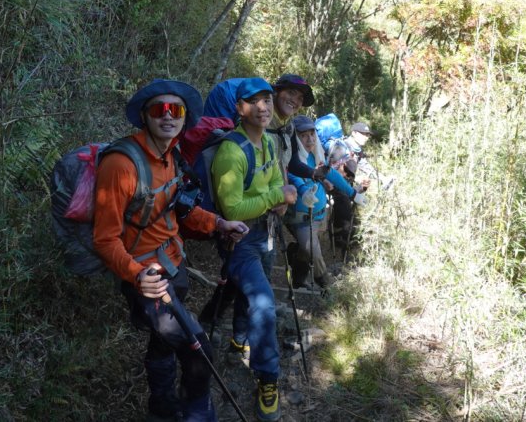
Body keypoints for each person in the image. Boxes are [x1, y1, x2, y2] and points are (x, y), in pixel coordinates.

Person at [94, 78, 247, 422]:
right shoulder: (122, 164)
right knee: (198, 349)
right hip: (147, 278)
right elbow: (104, 239)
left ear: (184, 116)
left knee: (165, 343)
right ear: (145, 116)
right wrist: (137, 276)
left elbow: (179, 208)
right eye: (159, 109)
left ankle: (161, 405)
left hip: (174, 265)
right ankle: (197, 411)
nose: (168, 116)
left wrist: (219, 224)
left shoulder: (172, 155)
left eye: (175, 109)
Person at [211, 78, 298, 422]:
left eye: (266, 100)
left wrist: (278, 200)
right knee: (263, 301)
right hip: (239, 238)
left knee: (250, 290)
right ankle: (268, 377)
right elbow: (231, 210)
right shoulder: (231, 152)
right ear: (239, 108)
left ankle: (239, 340)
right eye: (253, 101)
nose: (263, 107)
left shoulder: (269, 144)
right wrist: (277, 198)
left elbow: (277, 180)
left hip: (266, 230)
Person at [285, 115, 354, 289]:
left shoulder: (316, 156)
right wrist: (304, 191)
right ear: (295, 138)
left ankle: (298, 278)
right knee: (313, 251)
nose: (309, 139)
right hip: (300, 218)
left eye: (312, 134)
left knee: (306, 249)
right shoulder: (291, 159)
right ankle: (325, 285)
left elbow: (330, 174)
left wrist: (353, 193)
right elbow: (293, 176)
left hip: (319, 216)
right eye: (303, 135)